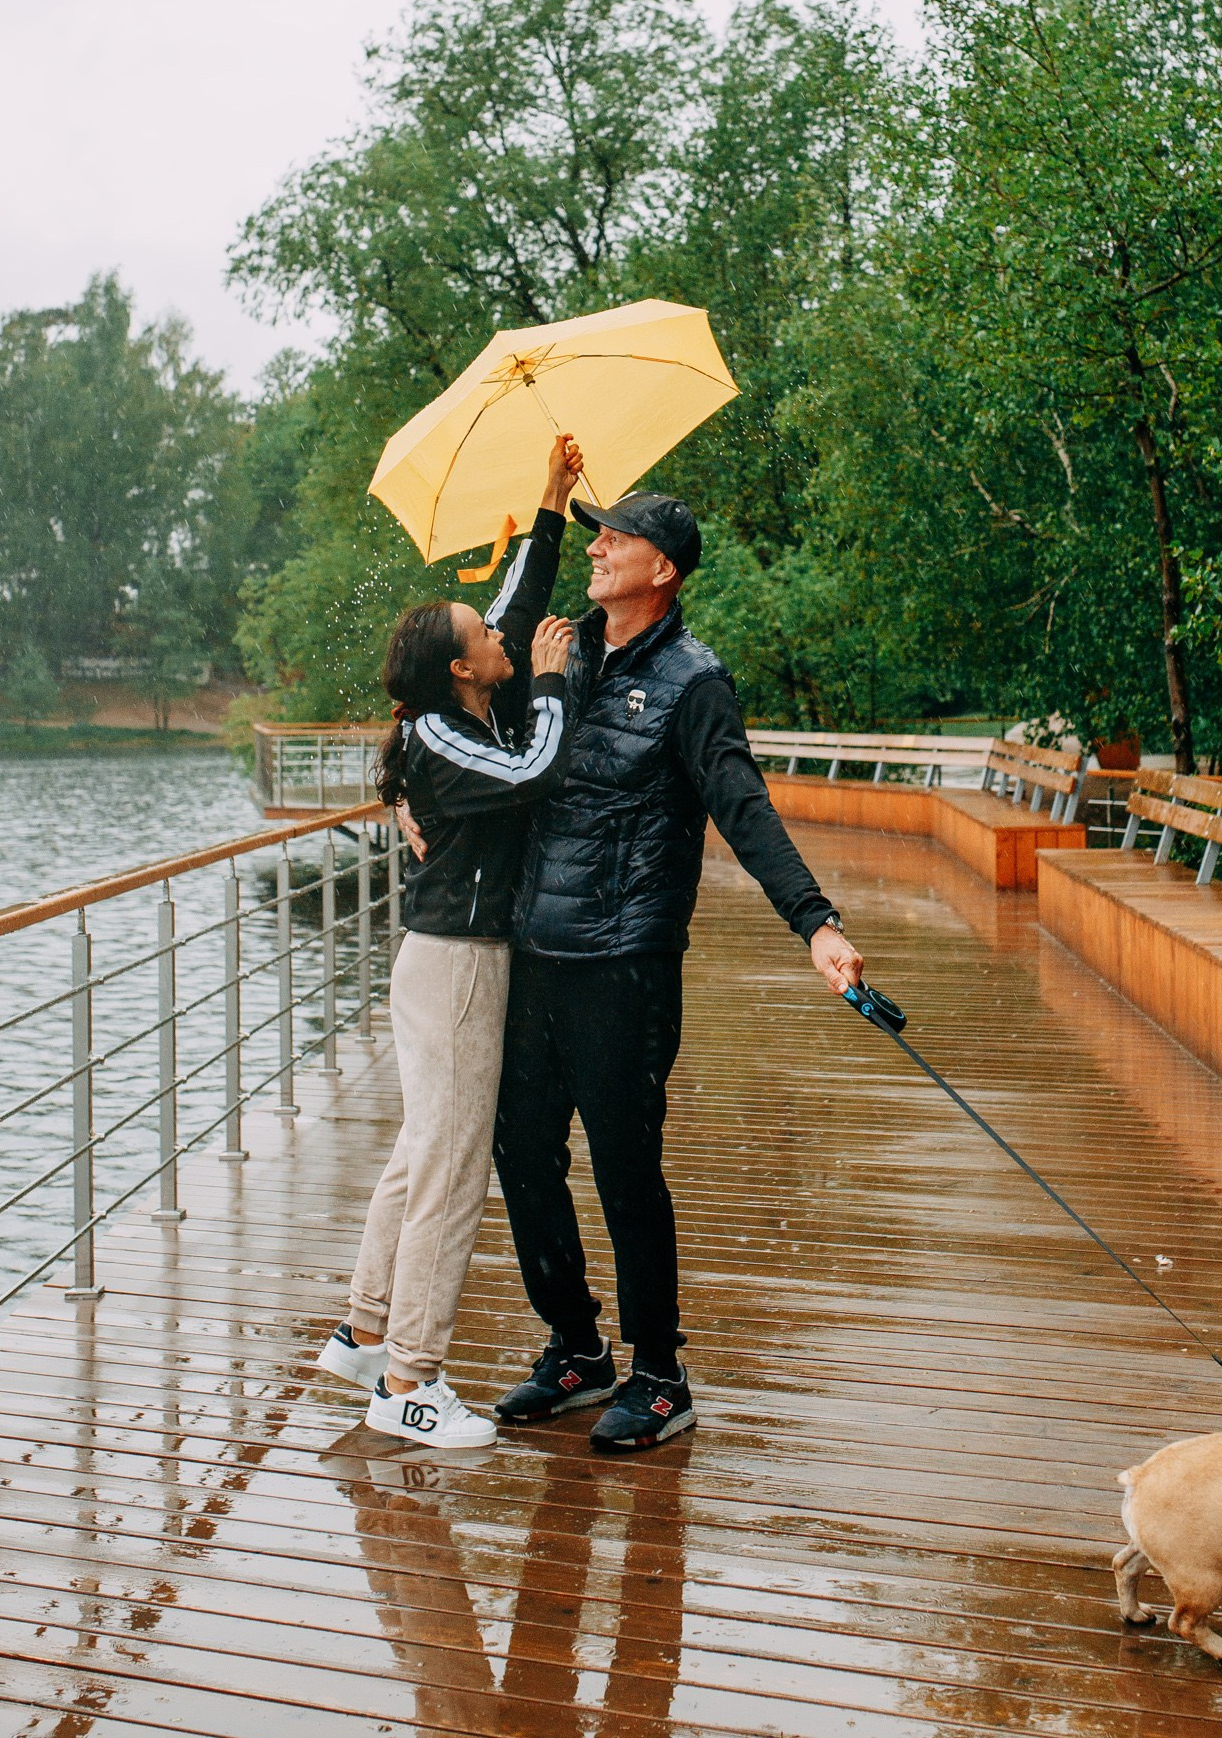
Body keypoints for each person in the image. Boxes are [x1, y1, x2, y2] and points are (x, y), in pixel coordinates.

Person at [490, 488, 865, 1451]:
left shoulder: (696, 682)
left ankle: (659, 1375)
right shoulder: (559, 654)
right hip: (534, 949)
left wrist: (815, 922)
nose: (599, 547)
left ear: (663, 569)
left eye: (617, 537)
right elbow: (485, 696)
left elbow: (743, 806)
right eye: (595, 534)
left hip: (625, 960)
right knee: (521, 1156)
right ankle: (577, 1350)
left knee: (625, 1172)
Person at [315, 432, 583, 1450]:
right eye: (489, 637)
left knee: (420, 1151)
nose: (508, 637)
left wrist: (549, 499)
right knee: (451, 1171)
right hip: (460, 967)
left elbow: (511, 601)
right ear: (464, 667)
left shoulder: (455, 706)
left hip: (443, 963)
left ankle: (364, 1329)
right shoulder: (448, 733)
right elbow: (534, 775)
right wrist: (553, 683)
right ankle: (410, 1382)